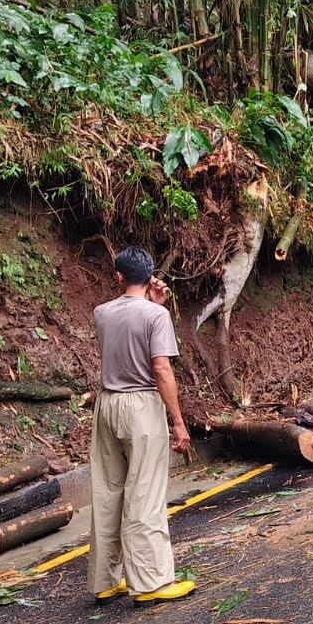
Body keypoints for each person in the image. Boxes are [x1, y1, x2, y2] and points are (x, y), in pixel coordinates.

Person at [89, 247, 197, 605]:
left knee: (109, 491)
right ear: (151, 276)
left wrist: (152, 304)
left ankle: (106, 579)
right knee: (145, 491)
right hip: (141, 405)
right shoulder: (156, 316)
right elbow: (161, 368)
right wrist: (178, 421)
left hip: (107, 404)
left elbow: (127, 329)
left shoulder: (101, 313)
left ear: (119, 276)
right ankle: (151, 582)